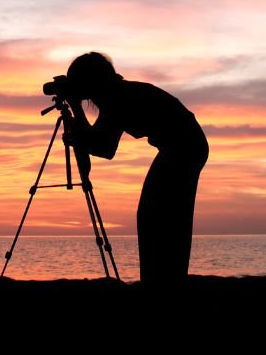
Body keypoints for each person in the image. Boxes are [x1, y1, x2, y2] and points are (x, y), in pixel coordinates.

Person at [59, 52, 209, 285]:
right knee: (163, 215)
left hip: (183, 146)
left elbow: (103, 148)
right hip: (184, 145)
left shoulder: (115, 97)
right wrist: (77, 114)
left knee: (157, 215)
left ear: (89, 80)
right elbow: (99, 142)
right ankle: (165, 278)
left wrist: (76, 109)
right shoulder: (115, 93)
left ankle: (161, 280)